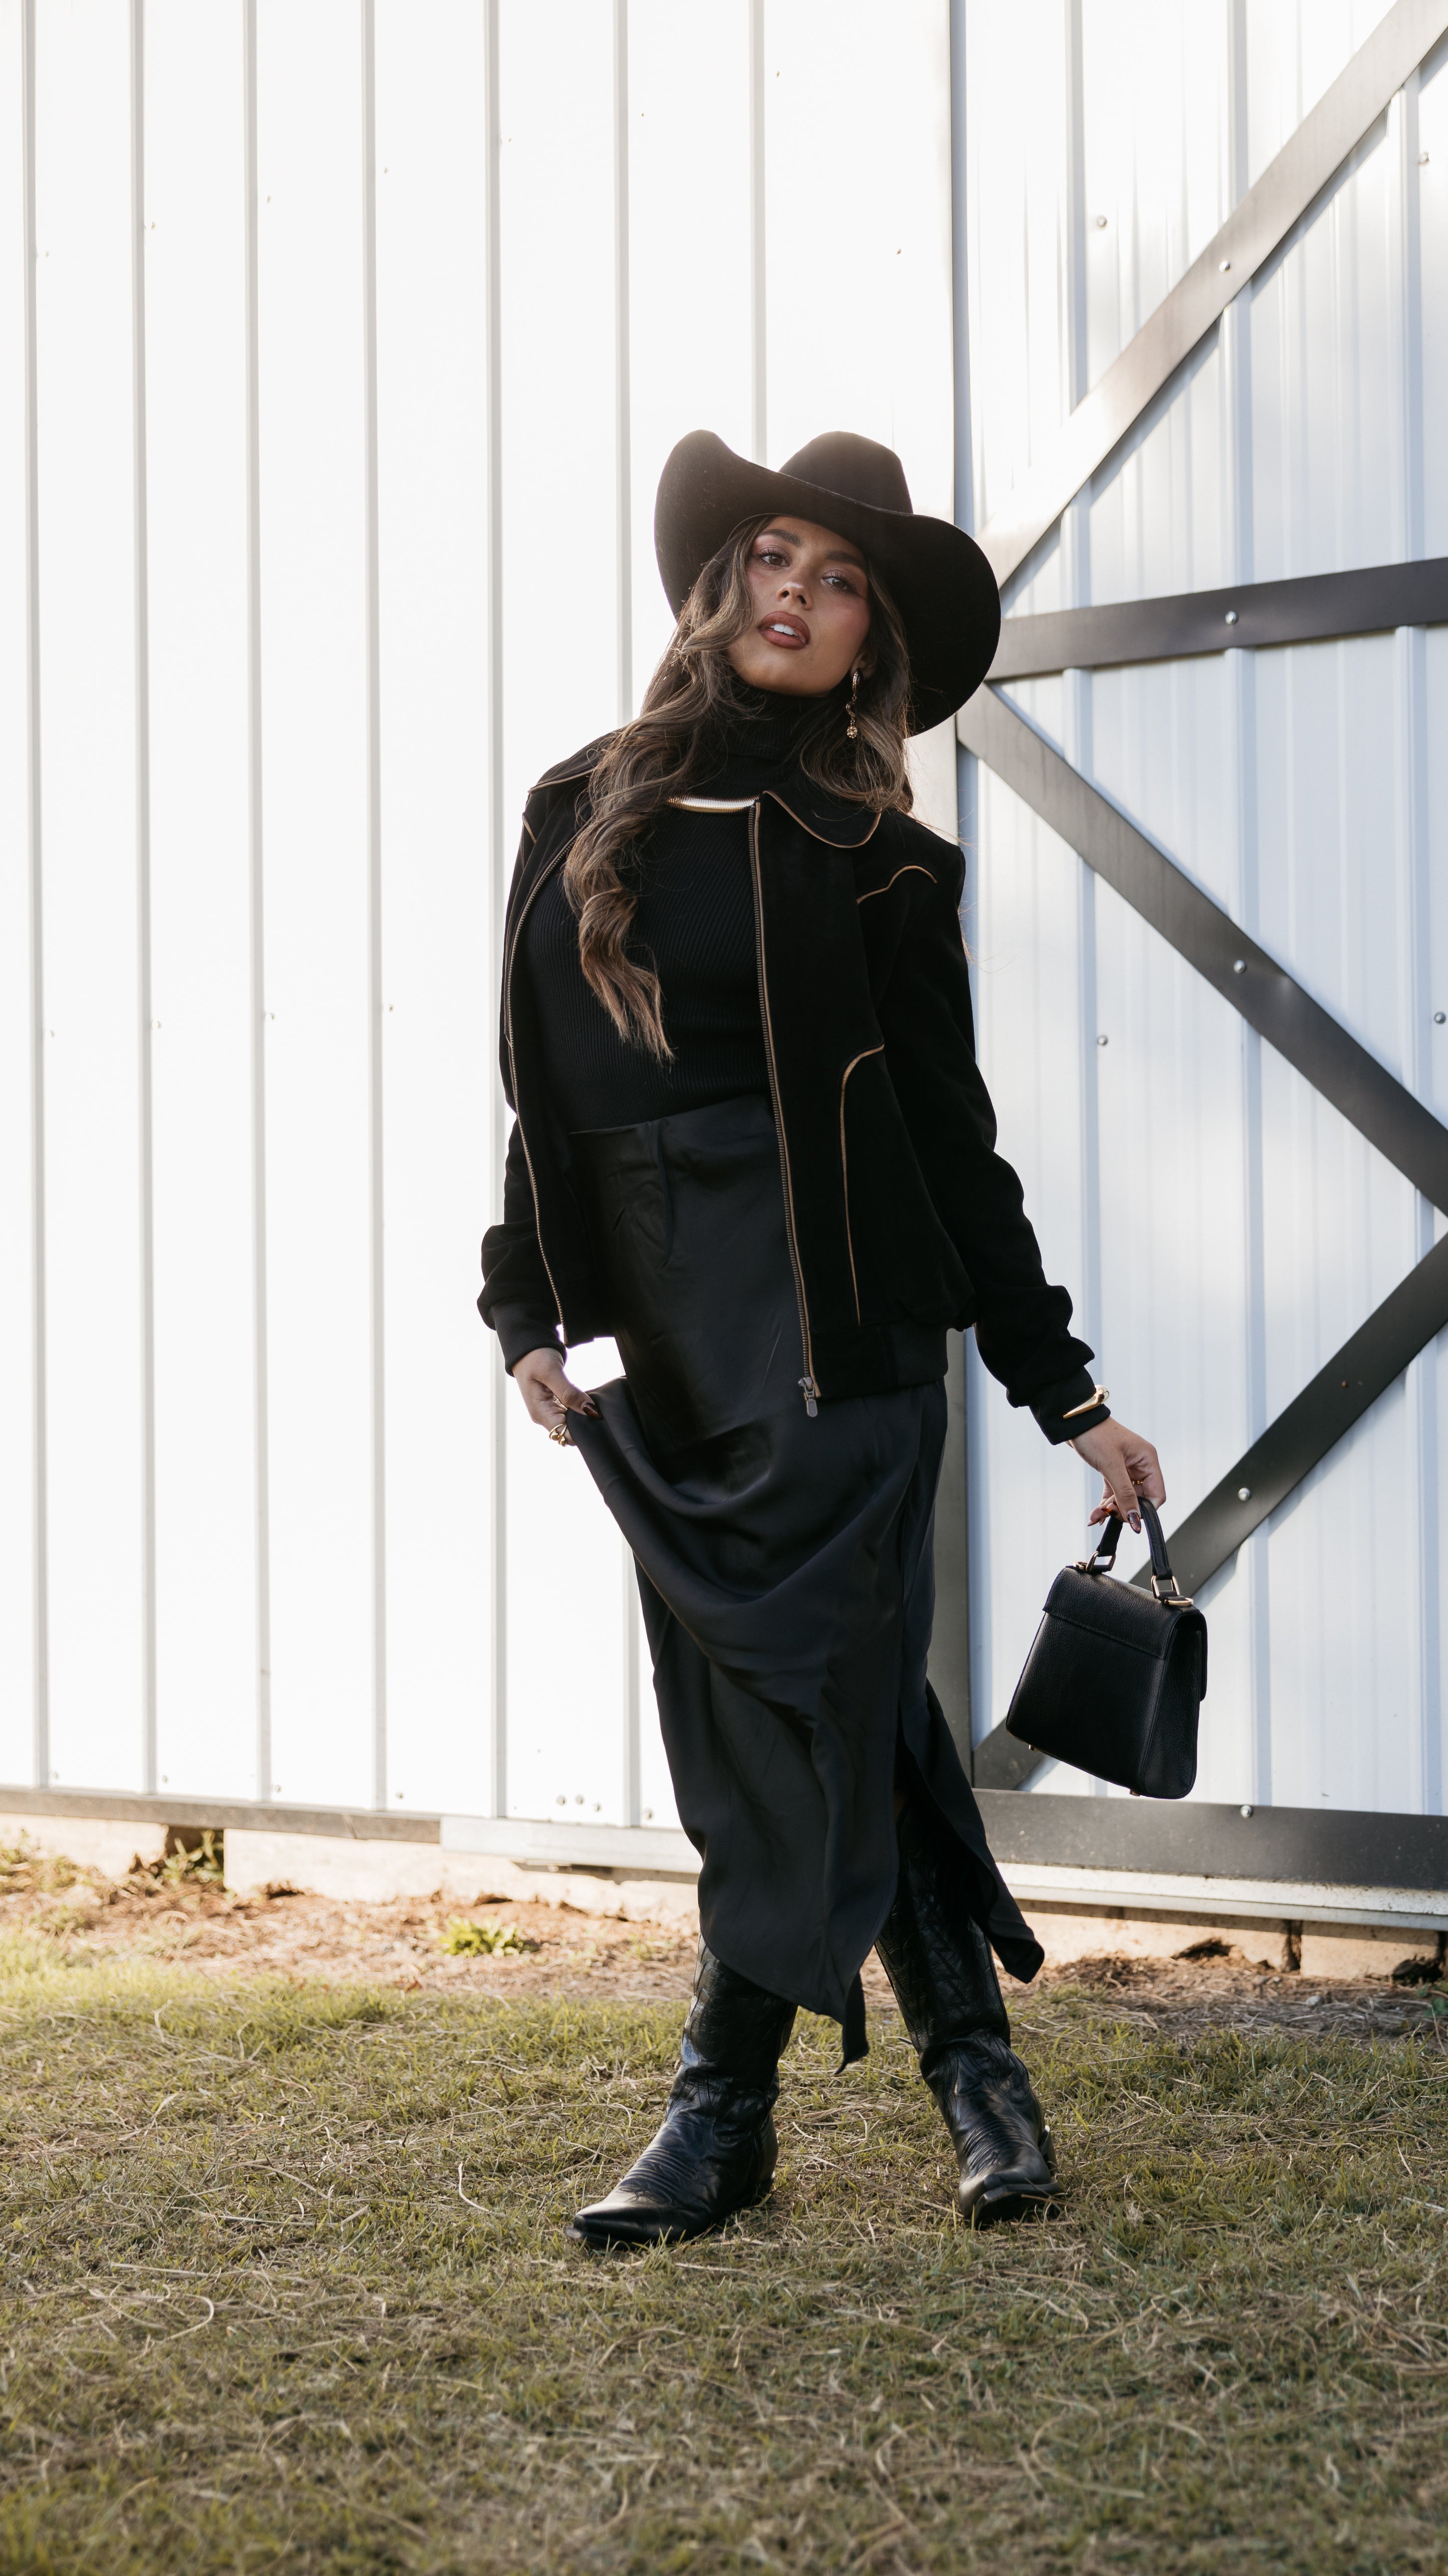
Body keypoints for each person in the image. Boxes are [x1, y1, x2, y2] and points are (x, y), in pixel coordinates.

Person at [479, 429, 1165, 2249]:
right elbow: (544, 1090)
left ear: (871, 643)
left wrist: (1061, 1386)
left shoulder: (882, 858)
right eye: (774, 555)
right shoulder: (579, 802)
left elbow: (952, 1139)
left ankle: (721, 2112)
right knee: (814, 1709)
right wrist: (524, 1304)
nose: (796, 591)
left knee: (818, 1700)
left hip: (849, 1334)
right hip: (677, 1344)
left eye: (839, 578)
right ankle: (974, 2064)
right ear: (721, 586)